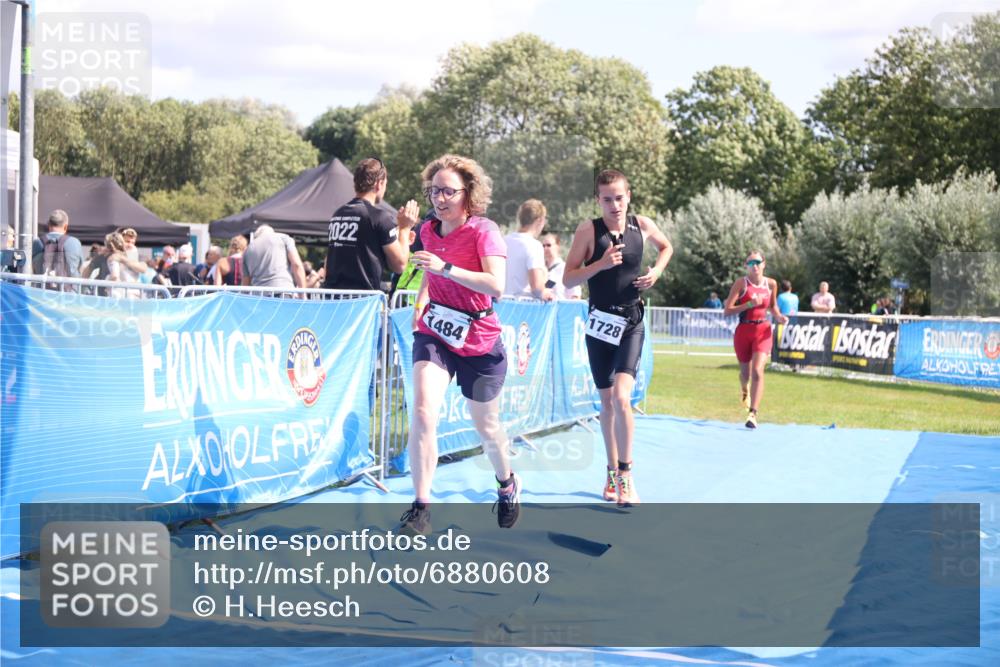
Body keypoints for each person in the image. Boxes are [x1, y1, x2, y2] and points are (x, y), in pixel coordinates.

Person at [399, 154, 519, 534]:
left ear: (469, 194)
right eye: (434, 191)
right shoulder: (428, 230)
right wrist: (421, 296)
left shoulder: (485, 231)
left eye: (449, 191)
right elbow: (416, 268)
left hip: (480, 339)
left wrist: (445, 268)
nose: (440, 198)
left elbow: (497, 285)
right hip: (436, 331)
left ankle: (506, 482)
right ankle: (421, 508)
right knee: (422, 411)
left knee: (486, 427)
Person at [563, 169, 673, 507]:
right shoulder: (588, 231)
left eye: (619, 197)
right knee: (607, 402)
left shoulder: (643, 225)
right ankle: (611, 470)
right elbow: (568, 278)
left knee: (623, 399)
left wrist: (655, 271)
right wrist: (599, 264)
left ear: (629, 197)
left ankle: (626, 474)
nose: (614, 205)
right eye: (607, 199)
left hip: (631, 321)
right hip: (599, 324)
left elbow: (666, 247)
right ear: (598, 200)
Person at [322, 157, 419, 292]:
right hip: (361, 303)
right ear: (379, 184)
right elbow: (400, 265)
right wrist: (405, 228)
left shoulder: (338, 214)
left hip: (332, 299)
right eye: (385, 184)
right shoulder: (379, 217)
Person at [723, 250, 789, 429]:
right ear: (746, 266)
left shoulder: (771, 284)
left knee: (758, 370)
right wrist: (750, 304)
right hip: (744, 330)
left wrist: (779, 317)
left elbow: (773, 307)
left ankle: (753, 413)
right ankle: (745, 390)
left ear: (764, 264)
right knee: (745, 374)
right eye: (751, 263)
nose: (755, 266)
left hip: (763, 330)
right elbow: (727, 310)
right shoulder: (741, 284)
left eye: (758, 262)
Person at [503, 199, 553, 300]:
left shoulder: (503, 241)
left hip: (500, 306)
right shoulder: (534, 246)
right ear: (540, 220)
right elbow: (537, 288)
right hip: (522, 308)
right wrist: (546, 292)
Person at [241, 225, 306, 290]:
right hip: (282, 290)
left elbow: (245, 282)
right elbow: (296, 265)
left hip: (258, 295)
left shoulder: (247, 250)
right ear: (272, 232)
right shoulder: (283, 238)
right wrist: (303, 294)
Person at [31, 209, 84, 281]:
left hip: (42, 290)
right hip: (69, 290)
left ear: (49, 225)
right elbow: (80, 268)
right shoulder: (75, 243)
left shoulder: (37, 243)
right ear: (65, 227)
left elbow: (33, 267)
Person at [541, 233, 581, 299]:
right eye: (543, 246)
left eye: (548, 245)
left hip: (560, 308)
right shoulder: (539, 269)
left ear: (557, 246)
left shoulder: (566, 268)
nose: (545, 248)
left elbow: (575, 295)